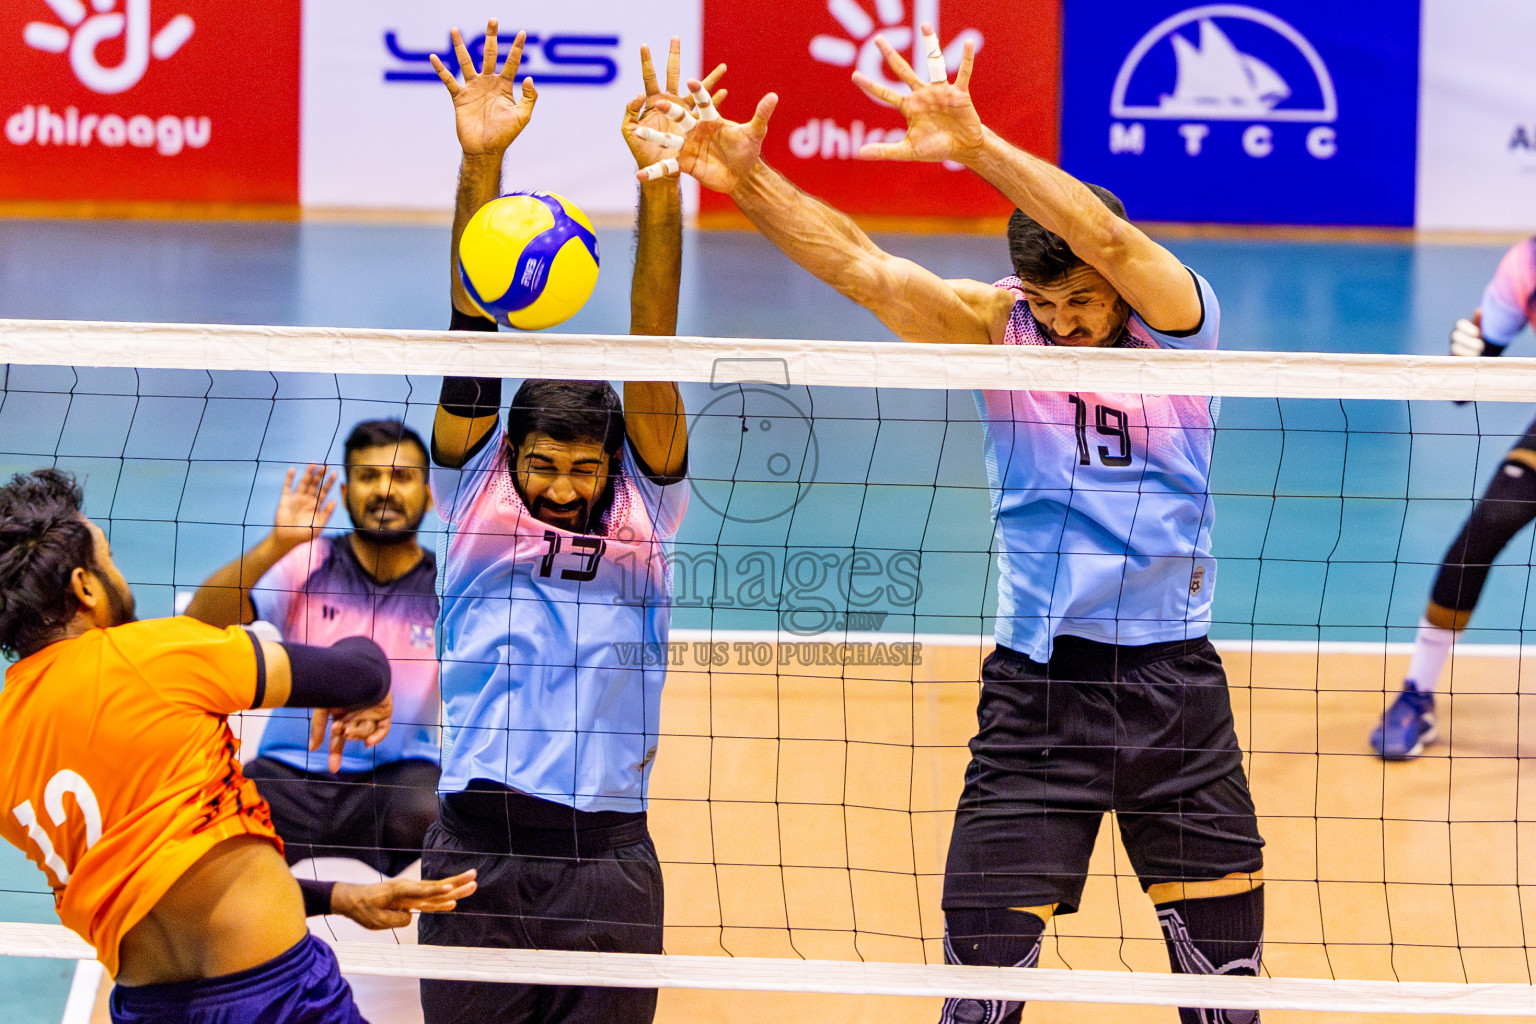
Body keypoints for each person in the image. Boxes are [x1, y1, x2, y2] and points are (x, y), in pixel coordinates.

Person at [644, 27, 1264, 1024]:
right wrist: (744, 181)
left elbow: (1110, 243)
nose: (1065, 324)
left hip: (1173, 691)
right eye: (1049, 303)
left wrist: (974, 142)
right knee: (974, 1003)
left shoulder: (1180, 324)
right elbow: (864, 267)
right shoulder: (1000, 327)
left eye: (1084, 305)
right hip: (1037, 695)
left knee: (1226, 1003)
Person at [415, 23, 709, 1024]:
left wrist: (661, 184)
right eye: (545, 465)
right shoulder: (474, 495)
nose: (566, 484)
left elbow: (653, 349)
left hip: (607, 862)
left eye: (586, 467)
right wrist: (483, 161)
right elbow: (471, 333)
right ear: (513, 456)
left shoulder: (644, 503)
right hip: (474, 850)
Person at [0, 468, 476, 1024]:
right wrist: (351, 672)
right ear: (85, 587)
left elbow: (165, 877)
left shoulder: (9, 740)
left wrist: (337, 897)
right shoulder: (150, 654)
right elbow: (362, 672)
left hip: (148, 1008)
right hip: (277, 995)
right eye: (109, 559)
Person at [185, 418, 442, 876]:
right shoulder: (309, 560)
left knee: (439, 815)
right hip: (289, 776)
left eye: (401, 476)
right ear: (345, 494)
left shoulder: (446, 586)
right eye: (368, 476)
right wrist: (277, 545)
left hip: (395, 783)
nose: (384, 490)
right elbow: (198, 622)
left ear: (428, 492)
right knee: (215, 813)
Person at [1370, 237, 1536, 760]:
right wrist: (1466, 356)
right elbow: (1466, 382)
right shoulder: (1527, 264)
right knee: (1483, 530)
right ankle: (1417, 694)